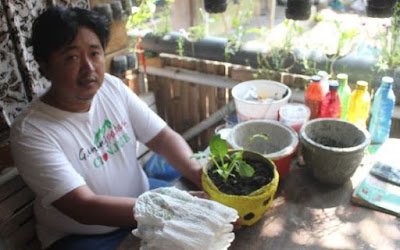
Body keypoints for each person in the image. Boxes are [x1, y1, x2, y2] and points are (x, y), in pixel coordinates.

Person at [10, 7, 203, 250]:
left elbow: (162, 138)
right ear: (45, 66)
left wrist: (198, 174)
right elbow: (84, 208)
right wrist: (166, 209)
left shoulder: (111, 87)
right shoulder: (31, 131)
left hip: (142, 204)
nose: (88, 68)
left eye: (94, 53)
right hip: (83, 237)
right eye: (71, 57)